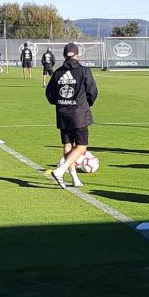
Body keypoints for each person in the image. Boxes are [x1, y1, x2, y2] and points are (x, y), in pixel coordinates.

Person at [46, 43, 98, 189]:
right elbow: (92, 92)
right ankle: (60, 170)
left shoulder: (57, 73)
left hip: (63, 114)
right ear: (77, 54)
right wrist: (86, 104)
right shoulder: (83, 71)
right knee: (81, 147)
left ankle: (75, 179)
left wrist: (61, 103)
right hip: (79, 114)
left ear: (64, 55)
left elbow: (50, 95)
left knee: (67, 145)